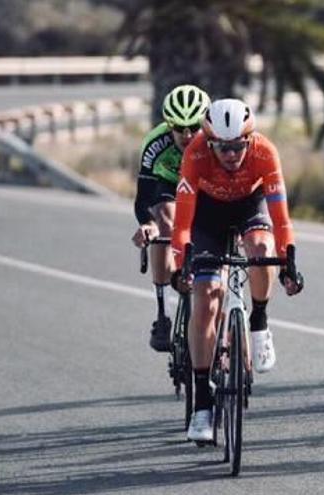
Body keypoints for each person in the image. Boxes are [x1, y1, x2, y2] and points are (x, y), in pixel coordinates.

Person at [170, 98, 304, 442]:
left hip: (249, 205)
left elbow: (281, 219)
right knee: (206, 297)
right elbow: (182, 223)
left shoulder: (264, 152)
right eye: (223, 148)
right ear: (210, 142)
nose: (231, 155)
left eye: (238, 146)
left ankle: (258, 321)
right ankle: (202, 403)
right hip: (208, 215)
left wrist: (289, 263)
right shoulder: (196, 154)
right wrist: (181, 263)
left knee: (261, 249)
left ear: (249, 139)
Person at [131, 84, 210, 352]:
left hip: (203, 184)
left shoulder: (216, 140)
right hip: (169, 183)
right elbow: (142, 199)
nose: (187, 134)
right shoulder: (155, 143)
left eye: (194, 127)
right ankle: (163, 313)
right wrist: (147, 224)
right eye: (179, 128)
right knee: (165, 222)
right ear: (168, 125)